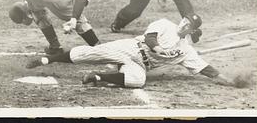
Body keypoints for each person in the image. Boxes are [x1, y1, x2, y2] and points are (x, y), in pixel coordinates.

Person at [26, 17, 238, 88]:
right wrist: (159, 49)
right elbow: (149, 38)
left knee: (138, 80)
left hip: (139, 64)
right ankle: (47, 60)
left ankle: (97, 77)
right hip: (129, 48)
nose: (183, 24)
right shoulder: (164, 23)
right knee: (90, 53)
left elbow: (206, 69)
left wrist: (229, 80)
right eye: (184, 20)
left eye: (188, 25)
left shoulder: (186, 51)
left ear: (191, 30)